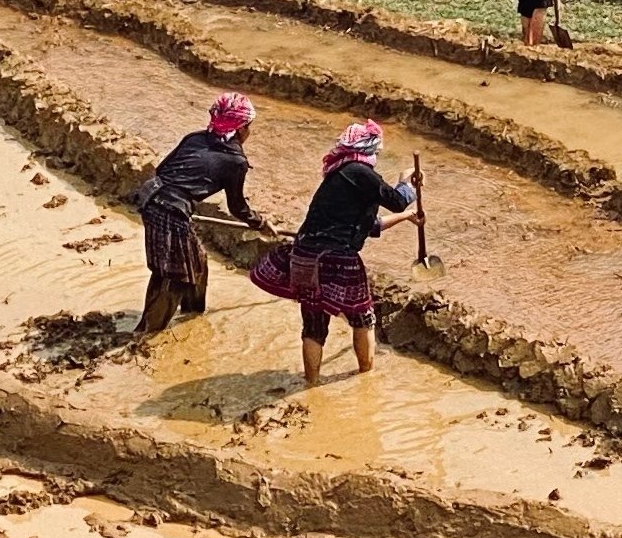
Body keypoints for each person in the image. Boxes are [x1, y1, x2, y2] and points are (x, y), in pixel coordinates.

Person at [251, 117, 417, 384]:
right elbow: (396, 201)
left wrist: (408, 216)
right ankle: (366, 378)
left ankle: (312, 382)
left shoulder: (338, 177)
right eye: (376, 152)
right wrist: (406, 182)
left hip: (304, 254)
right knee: (362, 317)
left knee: (314, 324)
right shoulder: (360, 173)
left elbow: (370, 226)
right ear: (369, 151)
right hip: (336, 258)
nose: (376, 157)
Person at [134, 94, 262, 335]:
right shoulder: (235, 160)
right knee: (173, 275)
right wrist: (259, 222)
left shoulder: (195, 139)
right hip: (171, 211)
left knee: (197, 263)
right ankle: (146, 334)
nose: (249, 132)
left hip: (152, 198)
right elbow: (237, 206)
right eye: (249, 127)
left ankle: (192, 313)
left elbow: (163, 170)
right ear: (241, 128)